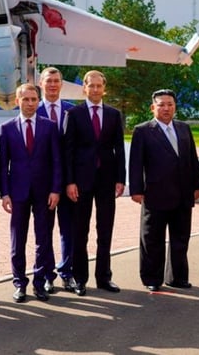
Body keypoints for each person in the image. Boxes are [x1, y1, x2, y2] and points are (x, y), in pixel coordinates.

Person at [129, 89, 199, 292]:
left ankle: (177, 277)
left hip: (182, 194)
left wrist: (198, 185)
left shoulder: (183, 128)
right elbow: (136, 164)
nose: (166, 108)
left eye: (170, 104)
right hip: (155, 194)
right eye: (161, 104)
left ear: (175, 107)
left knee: (180, 238)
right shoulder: (143, 130)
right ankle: (152, 278)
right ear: (153, 107)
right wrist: (136, 189)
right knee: (152, 239)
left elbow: (191, 159)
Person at [63, 70, 125, 296]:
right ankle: (80, 278)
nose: (96, 89)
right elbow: (68, 151)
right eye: (92, 86)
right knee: (80, 231)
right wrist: (69, 182)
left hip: (107, 181)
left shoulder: (113, 114)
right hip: (80, 182)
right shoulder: (74, 114)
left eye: (100, 86)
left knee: (105, 230)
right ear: (84, 89)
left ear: (104, 89)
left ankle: (104, 277)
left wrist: (121, 179)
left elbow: (119, 149)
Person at [0, 84, 61, 303]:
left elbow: (56, 161)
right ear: (17, 101)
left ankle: (39, 282)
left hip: (45, 193)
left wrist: (56, 189)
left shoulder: (50, 127)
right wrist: (4, 194)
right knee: (18, 241)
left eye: (34, 99)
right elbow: (2, 165)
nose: (30, 103)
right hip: (17, 193)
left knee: (43, 239)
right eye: (25, 99)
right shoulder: (7, 129)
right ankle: (19, 284)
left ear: (38, 100)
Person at [37, 67, 76, 293]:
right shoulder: (34, 109)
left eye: (56, 81)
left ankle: (67, 272)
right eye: (48, 81)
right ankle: (47, 273)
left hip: (68, 181)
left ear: (61, 85)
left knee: (67, 229)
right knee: (45, 230)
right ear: (41, 83)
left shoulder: (72, 111)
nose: (52, 85)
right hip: (43, 183)